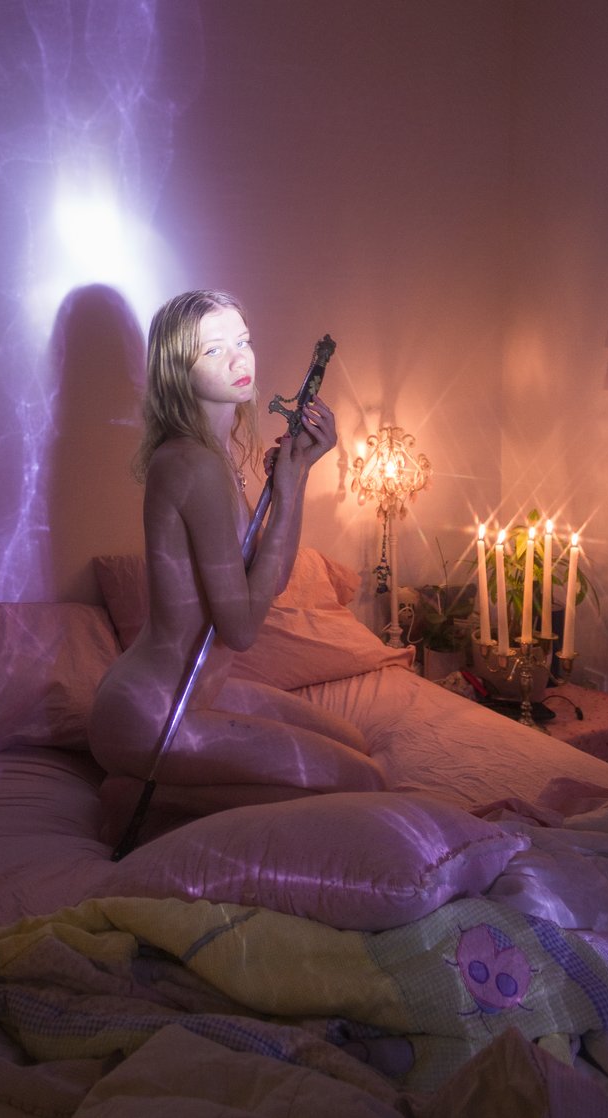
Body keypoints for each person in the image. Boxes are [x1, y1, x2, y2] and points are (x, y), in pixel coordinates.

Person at [88, 290, 384, 835]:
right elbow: (241, 629)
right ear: (177, 371)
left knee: (356, 745)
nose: (238, 358)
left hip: (193, 695)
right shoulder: (192, 463)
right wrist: (286, 495)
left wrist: (296, 476)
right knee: (363, 782)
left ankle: (151, 794)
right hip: (155, 711)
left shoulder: (216, 456)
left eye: (242, 341)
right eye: (212, 350)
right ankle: (142, 801)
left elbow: (270, 581)